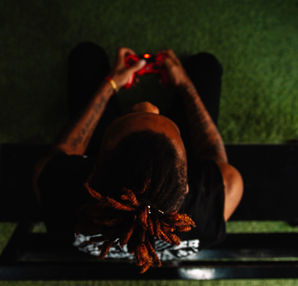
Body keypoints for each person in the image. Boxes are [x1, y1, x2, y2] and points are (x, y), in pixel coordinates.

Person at [33, 42, 244, 273]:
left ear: (92, 169)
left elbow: (61, 152)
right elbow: (213, 156)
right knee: (205, 65)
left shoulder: (58, 190)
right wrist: (186, 86)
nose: (147, 106)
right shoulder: (223, 190)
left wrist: (110, 84)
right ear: (186, 185)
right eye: (160, 117)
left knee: (86, 56)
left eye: (134, 113)